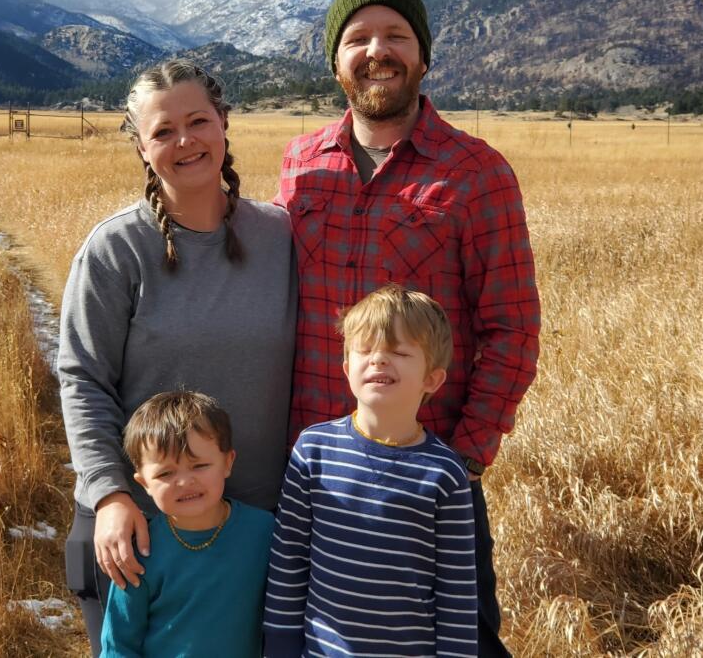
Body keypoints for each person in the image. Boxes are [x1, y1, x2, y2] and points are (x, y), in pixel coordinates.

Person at [275, 0, 540, 656]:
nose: (377, 51)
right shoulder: (301, 165)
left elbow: (513, 328)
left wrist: (467, 456)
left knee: (456, 641)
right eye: (358, 38)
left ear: (423, 57)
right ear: (335, 60)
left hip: (424, 481)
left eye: (396, 36)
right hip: (313, 474)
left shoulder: (477, 173)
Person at [57, 59, 297, 653]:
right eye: (163, 131)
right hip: (139, 529)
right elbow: (82, 378)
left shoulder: (280, 238)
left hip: (253, 533)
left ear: (224, 125)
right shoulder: (116, 250)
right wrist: (110, 493)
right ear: (141, 147)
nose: (184, 140)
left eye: (198, 121)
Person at [263, 284, 478, 657]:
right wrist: (279, 647)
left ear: (432, 378)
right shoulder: (313, 450)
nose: (378, 361)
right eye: (365, 351)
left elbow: (456, 591)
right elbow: (289, 562)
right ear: (347, 369)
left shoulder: (445, 473)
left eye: (398, 352)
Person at [101, 390, 275, 658]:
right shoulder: (138, 552)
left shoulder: (265, 533)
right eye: (166, 473)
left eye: (200, 465)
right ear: (143, 483)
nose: (184, 482)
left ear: (228, 462)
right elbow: (119, 644)